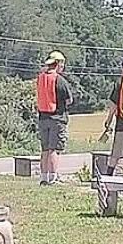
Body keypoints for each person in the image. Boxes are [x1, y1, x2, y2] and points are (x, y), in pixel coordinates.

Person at [37, 51, 73, 185]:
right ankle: (53, 178)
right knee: (54, 149)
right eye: (62, 63)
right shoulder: (59, 80)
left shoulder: (40, 78)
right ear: (58, 64)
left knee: (45, 149)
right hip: (57, 118)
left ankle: (43, 178)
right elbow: (69, 100)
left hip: (42, 118)